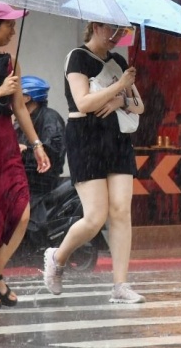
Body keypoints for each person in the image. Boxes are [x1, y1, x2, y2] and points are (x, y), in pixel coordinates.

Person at [43, 21, 146, 304]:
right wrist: (120, 88)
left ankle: (120, 285)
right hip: (86, 137)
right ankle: (57, 256)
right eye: (111, 31)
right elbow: (83, 102)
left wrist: (119, 101)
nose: (116, 37)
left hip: (118, 139)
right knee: (95, 217)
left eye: (121, 32)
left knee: (121, 210)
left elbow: (138, 105)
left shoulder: (119, 61)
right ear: (95, 26)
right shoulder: (77, 57)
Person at [0, 3, 51, 309]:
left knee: (21, 207)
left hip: (4, 140)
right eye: (8, 25)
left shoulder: (11, 62)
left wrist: (37, 144)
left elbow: (20, 108)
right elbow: (2, 97)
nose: (13, 30)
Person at [15, 76, 66, 199]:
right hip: (19, 179)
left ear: (27, 98)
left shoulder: (50, 118)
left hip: (39, 185)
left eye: (17, 95)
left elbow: (52, 153)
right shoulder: (19, 120)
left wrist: (25, 150)